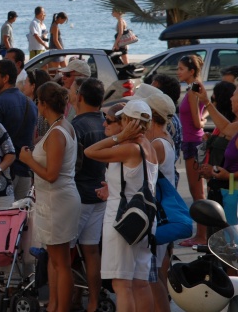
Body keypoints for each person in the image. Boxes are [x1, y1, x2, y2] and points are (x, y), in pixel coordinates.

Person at [85, 100, 158, 312]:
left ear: (127, 121)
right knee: (140, 283)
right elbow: (136, 178)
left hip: (121, 219)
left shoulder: (128, 147)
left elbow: (90, 151)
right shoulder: (149, 146)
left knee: (122, 284)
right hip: (143, 219)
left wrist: (119, 137)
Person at [20, 82, 81, 312]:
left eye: (37, 101)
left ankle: (61, 307)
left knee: (61, 262)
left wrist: (28, 161)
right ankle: (54, 305)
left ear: (43, 104)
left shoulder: (57, 132)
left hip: (58, 200)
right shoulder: (60, 126)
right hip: (54, 200)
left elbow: (52, 174)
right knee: (56, 261)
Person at [70, 78, 106, 312]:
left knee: (66, 254)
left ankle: (68, 300)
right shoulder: (106, 122)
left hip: (80, 195)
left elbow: (71, 166)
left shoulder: (76, 126)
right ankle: (93, 301)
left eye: (73, 92)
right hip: (100, 193)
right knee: (91, 251)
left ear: (80, 97)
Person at [143, 92, 178, 312]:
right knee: (158, 276)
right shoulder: (164, 139)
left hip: (158, 215)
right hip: (163, 213)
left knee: (154, 278)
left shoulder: (156, 143)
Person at [0, 59, 38, 200]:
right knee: (19, 218)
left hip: (4, 172)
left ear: (5, 78)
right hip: (25, 171)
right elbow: (32, 138)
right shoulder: (30, 103)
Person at [177, 54, 208, 246]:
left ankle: (202, 236)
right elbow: (204, 109)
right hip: (192, 142)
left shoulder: (192, 91)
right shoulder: (196, 87)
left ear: (191, 71)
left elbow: (197, 123)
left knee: (197, 193)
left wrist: (202, 122)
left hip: (193, 143)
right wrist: (203, 119)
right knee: (197, 192)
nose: (178, 72)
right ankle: (201, 234)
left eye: (181, 69)